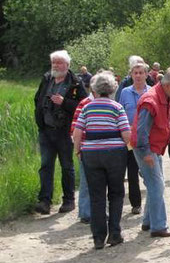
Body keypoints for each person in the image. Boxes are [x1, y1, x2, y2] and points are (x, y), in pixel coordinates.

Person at [73, 71, 131, 250]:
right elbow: (126, 133)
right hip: (114, 153)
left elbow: (77, 132)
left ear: (95, 89)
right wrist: (127, 150)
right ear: (112, 88)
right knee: (116, 193)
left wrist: (78, 151)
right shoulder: (116, 107)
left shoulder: (87, 108)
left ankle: (98, 237)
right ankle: (114, 234)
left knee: (96, 196)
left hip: (91, 154)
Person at [131, 69, 170, 237]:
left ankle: (148, 222)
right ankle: (159, 226)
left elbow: (158, 123)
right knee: (157, 185)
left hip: (153, 146)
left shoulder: (164, 96)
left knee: (155, 185)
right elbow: (141, 131)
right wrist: (146, 153)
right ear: (167, 85)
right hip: (146, 148)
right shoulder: (151, 100)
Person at [34, 50, 87, 215]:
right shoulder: (47, 79)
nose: (55, 66)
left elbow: (83, 105)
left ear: (67, 65)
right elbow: (38, 99)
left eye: (59, 63)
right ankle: (45, 201)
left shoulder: (76, 83)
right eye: (53, 63)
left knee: (66, 166)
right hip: (47, 130)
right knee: (46, 166)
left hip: (65, 131)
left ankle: (69, 200)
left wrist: (65, 102)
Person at [118, 61, 152, 215]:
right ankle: (136, 203)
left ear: (146, 74)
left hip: (149, 138)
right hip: (130, 139)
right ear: (131, 75)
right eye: (135, 73)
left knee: (150, 172)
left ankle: (152, 203)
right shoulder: (125, 92)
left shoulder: (152, 92)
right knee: (132, 172)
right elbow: (119, 113)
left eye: (141, 73)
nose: (138, 76)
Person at [70, 75, 97, 224]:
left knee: (99, 182)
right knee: (86, 181)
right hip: (86, 149)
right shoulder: (84, 104)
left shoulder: (110, 103)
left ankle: (96, 211)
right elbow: (75, 128)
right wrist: (78, 148)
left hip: (102, 150)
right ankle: (85, 212)